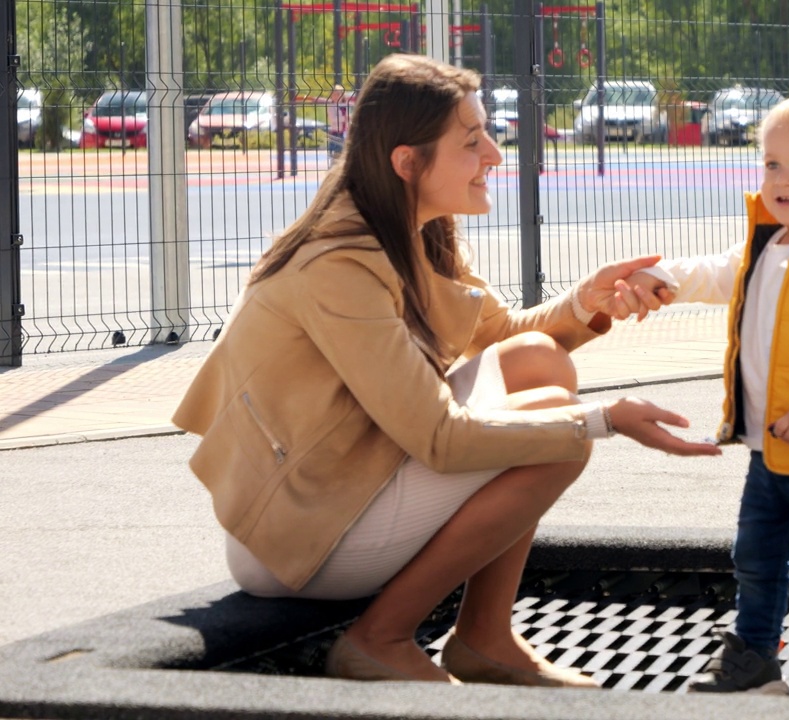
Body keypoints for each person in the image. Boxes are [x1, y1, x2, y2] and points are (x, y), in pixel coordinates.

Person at [172, 54, 719, 687]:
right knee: (560, 435)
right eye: (471, 141)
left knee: (538, 363)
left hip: (352, 477)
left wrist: (586, 303)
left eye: (487, 132)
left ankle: (485, 640)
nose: (493, 151)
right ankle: (380, 639)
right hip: (299, 533)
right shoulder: (339, 265)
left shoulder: (407, 228)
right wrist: (604, 419)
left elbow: (502, 335)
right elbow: (441, 439)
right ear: (407, 163)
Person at [618, 88, 789, 698]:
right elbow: (717, 273)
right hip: (769, 450)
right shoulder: (768, 246)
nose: (783, 178)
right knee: (756, 557)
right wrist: (661, 276)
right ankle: (753, 657)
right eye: (773, 163)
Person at [326, 84, 350, 159]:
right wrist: (344, 118)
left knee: (345, 154)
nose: (335, 96)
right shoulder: (331, 106)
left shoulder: (346, 105)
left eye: (338, 94)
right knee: (336, 155)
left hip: (345, 133)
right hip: (336, 133)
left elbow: (349, 117)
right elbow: (333, 119)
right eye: (333, 94)